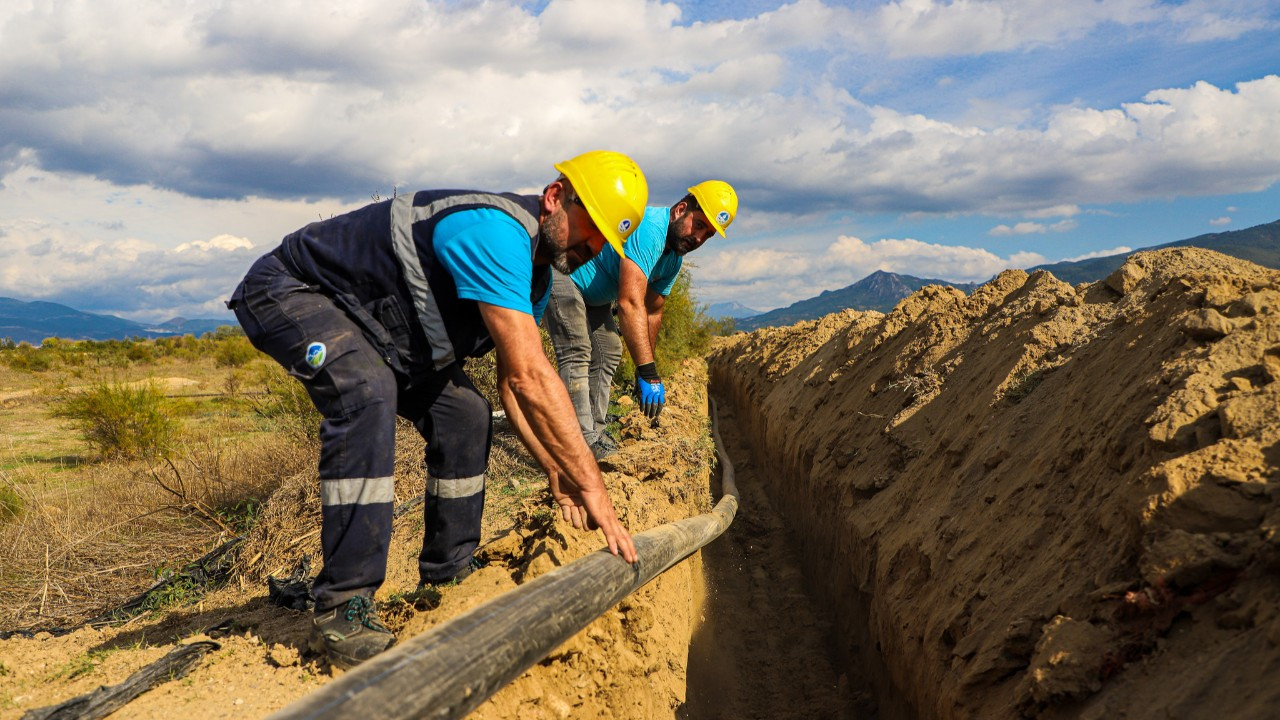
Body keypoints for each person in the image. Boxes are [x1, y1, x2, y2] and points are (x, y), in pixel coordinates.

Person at [227, 150, 646, 670]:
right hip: (291, 291)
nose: (595, 245)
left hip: (379, 333)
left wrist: (557, 470)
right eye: (592, 226)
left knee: (466, 413)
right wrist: (592, 484)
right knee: (366, 392)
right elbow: (531, 376)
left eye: (608, 239)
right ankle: (342, 606)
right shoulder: (496, 232)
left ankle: (447, 576)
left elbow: (510, 389)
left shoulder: (535, 278)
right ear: (556, 197)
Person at [544, 181, 737, 458]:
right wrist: (648, 372)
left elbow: (652, 311)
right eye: (699, 225)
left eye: (708, 235)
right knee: (577, 350)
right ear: (681, 209)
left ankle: (594, 431)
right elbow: (629, 303)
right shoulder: (651, 229)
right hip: (564, 276)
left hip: (593, 297)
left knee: (609, 349)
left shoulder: (673, 260)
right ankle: (580, 442)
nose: (699, 239)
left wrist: (645, 366)